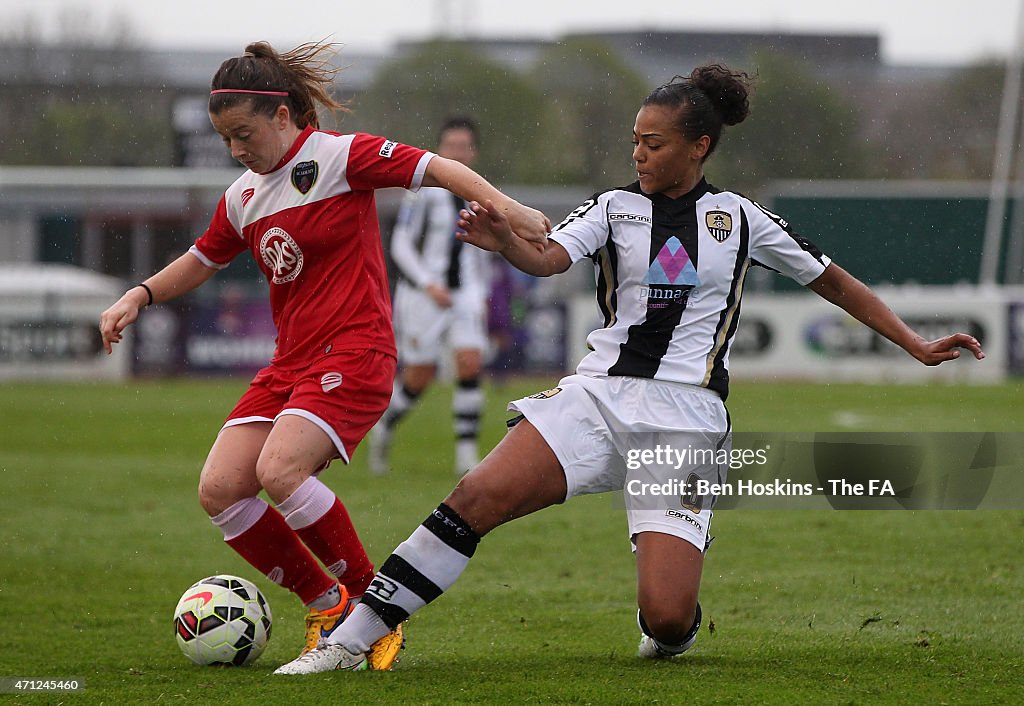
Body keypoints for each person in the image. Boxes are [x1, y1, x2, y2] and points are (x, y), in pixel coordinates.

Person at [273, 63, 985, 675]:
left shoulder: (740, 219)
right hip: (598, 399)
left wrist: (913, 343)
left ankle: (669, 621)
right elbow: (549, 256)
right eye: (634, 141)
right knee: (476, 496)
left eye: (654, 142)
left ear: (699, 146)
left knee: (668, 619)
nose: (639, 153)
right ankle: (351, 640)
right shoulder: (613, 208)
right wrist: (505, 246)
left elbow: (834, 282)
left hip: (686, 418)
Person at [97, 40, 548, 672]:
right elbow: (203, 258)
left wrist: (511, 208)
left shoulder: (338, 157)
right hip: (290, 363)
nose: (237, 150)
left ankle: (372, 609)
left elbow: (441, 168)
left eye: (245, 134)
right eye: (226, 138)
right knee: (221, 490)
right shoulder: (243, 197)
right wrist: (139, 295)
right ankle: (327, 597)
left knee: (281, 471)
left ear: (283, 115)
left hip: (356, 350)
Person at [370, 117, 490, 477]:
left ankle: (466, 457)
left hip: (464, 293)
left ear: (474, 151)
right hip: (424, 295)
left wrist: (479, 291)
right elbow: (401, 244)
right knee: (419, 376)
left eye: (464, 146)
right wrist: (428, 283)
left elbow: (483, 248)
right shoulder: (422, 193)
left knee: (469, 363)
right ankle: (384, 427)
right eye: (451, 146)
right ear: (440, 150)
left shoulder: (481, 193)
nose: (458, 152)